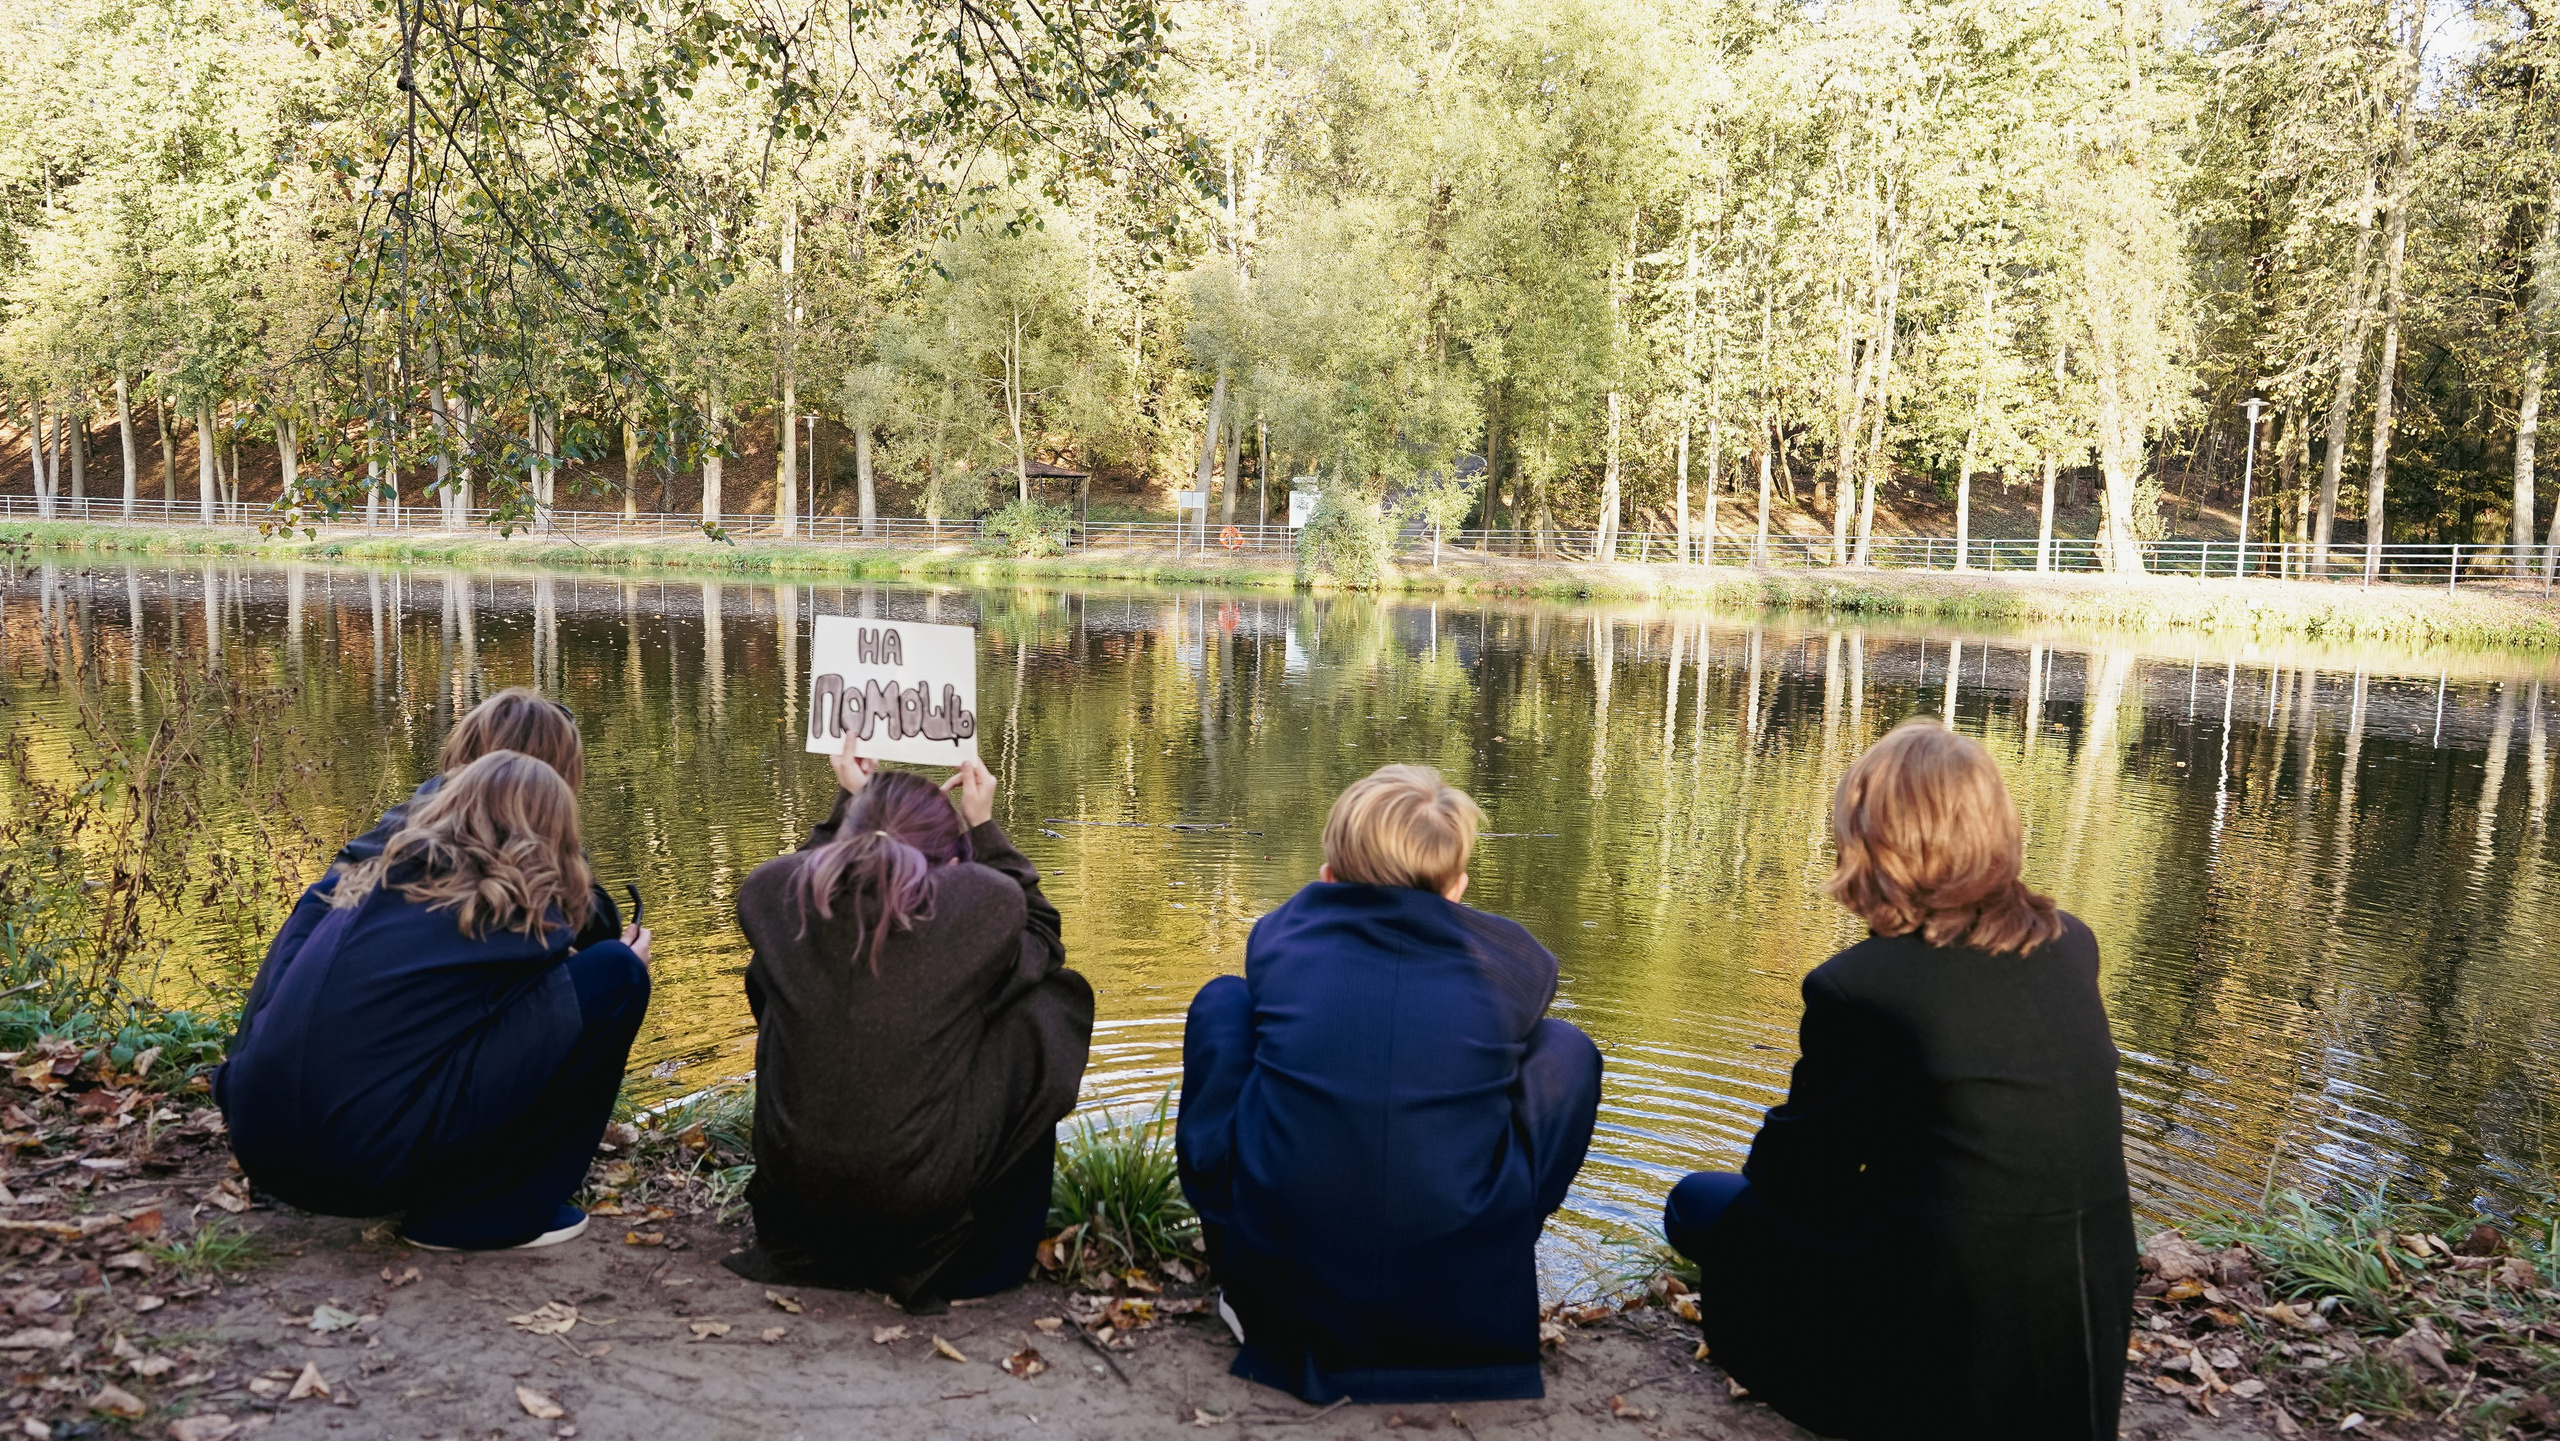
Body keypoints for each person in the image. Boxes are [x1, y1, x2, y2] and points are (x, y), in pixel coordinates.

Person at [1660, 719, 2135, 1441]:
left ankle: (1863, 1394)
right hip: (2085, 1324)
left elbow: (1790, 1176)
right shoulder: (2072, 942)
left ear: (1873, 841)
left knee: (1701, 1205)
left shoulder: (1862, 986)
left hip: (1950, 1344)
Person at [1177, 764, 1601, 1405]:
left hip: (1286, 1304)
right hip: (1457, 1295)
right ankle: (1476, 1261)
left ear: (1327, 879)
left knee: (1223, 1006)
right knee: (1566, 1051)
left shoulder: (1280, 938)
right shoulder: (1513, 964)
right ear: (1458, 889)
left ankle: (1246, 1279)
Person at [218, 750, 654, 1251]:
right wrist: (625, 960)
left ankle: (436, 1178)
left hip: (264, 1154)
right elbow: (567, 992)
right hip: (357, 1169)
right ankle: (488, 1212)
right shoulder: (497, 906)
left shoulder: (369, 880)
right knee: (614, 976)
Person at [731, 748, 1092, 1314]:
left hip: (795, 1211)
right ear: (950, 865)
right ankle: (991, 1254)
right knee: (1046, 1003)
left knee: (773, 972)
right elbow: (1043, 938)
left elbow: (797, 876)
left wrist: (851, 805)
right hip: (919, 1205)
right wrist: (984, 827)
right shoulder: (984, 908)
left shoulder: (775, 901)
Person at [259, 687, 623, 974]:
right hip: (381, 1060)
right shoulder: (478, 861)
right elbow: (592, 930)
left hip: (270, 1051)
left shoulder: (391, 836)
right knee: (618, 971)